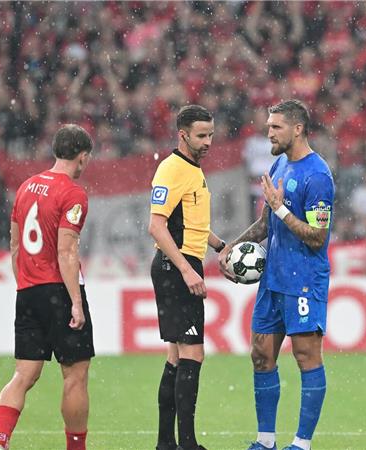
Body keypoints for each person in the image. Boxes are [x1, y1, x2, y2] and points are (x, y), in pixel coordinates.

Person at [218, 99, 335, 450]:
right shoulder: (280, 163)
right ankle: (265, 441)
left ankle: (301, 444)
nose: (268, 132)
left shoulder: (318, 176)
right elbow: (268, 221)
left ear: (297, 129)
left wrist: (281, 208)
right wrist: (231, 247)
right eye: (268, 126)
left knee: (305, 356)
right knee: (260, 353)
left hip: (304, 278)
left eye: (275, 127)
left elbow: (317, 237)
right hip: (273, 277)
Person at [0, 124, 94, 450]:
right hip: (59, 291)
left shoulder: (26, 187)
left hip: (29, 290)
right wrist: (75, 302)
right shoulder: (73, 193)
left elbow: (14, 242)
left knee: (23, 375)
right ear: (82, 156)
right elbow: (66, 250)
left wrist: (24, 284)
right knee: (75, 376)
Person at [148, 105, 228, 450]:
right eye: (201, 135)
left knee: (177, 357)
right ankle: (188, 444)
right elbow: (156, 225)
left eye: (211, 134)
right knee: (193, 355)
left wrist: (221, 245)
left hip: (181, 264)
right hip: (175, 267)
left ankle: (167, 443)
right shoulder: (172, 169)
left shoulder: (194, 169)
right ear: (183, 135)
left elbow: (194, 224)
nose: (208, 141)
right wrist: (186, 269)